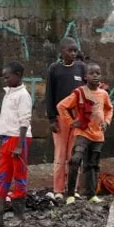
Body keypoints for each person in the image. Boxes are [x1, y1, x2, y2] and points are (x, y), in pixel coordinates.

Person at [0, 61, 33, 227]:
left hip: (18, 139)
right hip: (7, 138)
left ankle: (19, 216)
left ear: (17, 75)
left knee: (19, 176)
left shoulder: (23, 95)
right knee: (3, 175)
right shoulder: (9, 93)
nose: (5, 80)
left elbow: (25, 121)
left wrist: (19, 145)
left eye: (7, 77)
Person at [57, 62, 113, 205]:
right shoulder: (79, 93)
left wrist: (106, 122)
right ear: (85, 77)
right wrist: (71, 122)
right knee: (75, 160)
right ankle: (70, 194)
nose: (95, 76)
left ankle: (91, 194)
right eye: (92, 73)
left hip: (98, 134)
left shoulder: (103, 94)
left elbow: (109, 109)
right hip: (82, 132)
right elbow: (62, 106)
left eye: (98, 73)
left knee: (93, 164)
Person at [45, 38, 87, 202]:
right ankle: (58, 189)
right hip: (60, 117)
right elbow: (49, 94)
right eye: (70, 51)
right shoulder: (54, 69)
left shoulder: (81, 67)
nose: (73, 54)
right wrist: (51, 118)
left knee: (74, 154)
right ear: (62, 51)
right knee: (60, 154)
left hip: (78, 117)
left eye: (75, 51)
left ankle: (73, 188)